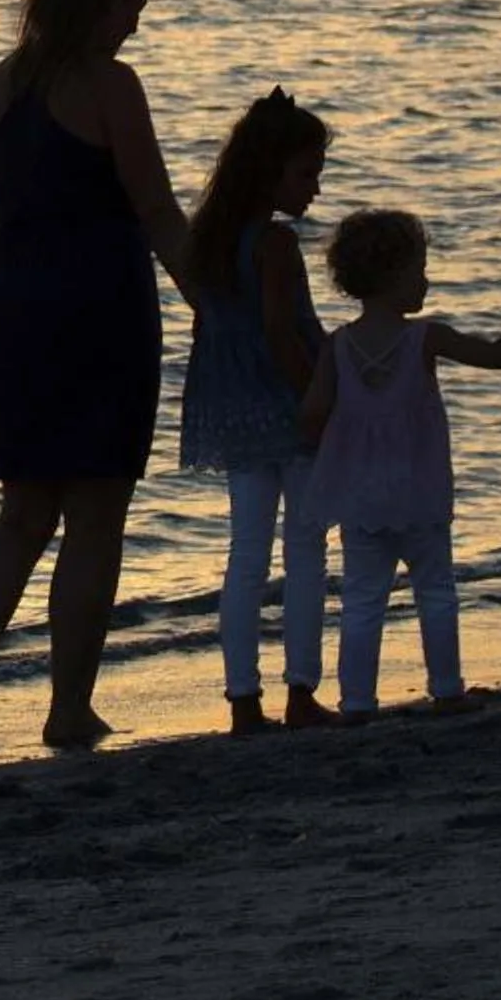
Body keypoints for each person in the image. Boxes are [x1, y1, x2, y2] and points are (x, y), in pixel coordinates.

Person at [0, 0, 191, 756]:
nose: (136, 25)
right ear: (100, 0)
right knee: (95, 514)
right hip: (99, 308)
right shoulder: (111, 85)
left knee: (20, 515)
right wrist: (216, 303)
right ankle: (69, 706)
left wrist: (22, 288)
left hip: (12, 309)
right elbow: (157, 210)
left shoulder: (4, 81)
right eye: (132, 6)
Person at [301, 209, 501, 723]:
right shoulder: (426, 338)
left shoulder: (338, 346)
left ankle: (357, 702)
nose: (426, 280)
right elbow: (500, 355)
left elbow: (311, 415)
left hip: (363, 497)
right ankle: (446, 689)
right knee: (436, 590)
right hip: (419, 490)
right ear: (394, 275)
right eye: (419, 269)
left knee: (362, 599)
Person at [178, 89, 333, 733]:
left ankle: (243, 697)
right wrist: (316, 399)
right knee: (305, 547)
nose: (315, 188)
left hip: (235, 406)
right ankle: (301, 691)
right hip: (284, 401)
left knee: (246, 552)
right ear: (272, 171)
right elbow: (280, 330)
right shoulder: (274, 244)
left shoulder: (212, 239)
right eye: (307, 173)